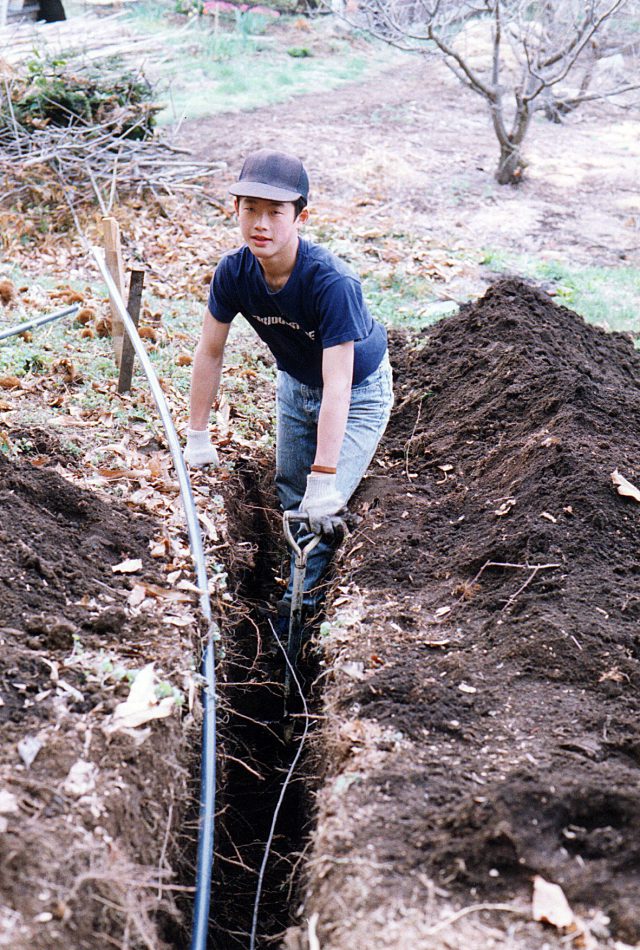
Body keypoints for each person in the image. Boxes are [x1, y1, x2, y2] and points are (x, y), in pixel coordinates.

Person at [185, 148, 393, 625]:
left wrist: (323, 478)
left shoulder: (332, 283)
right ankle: (286, 573)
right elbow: (210, 352)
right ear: (234, 210)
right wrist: (197, 435)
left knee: (317, 509)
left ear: (300, 216)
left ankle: (297, 617)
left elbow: (338, 385)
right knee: (287, 491)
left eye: (275, 212)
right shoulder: (233, 273)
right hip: (296, 383)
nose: (261, 223)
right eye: (250, 209)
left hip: (357, 394)